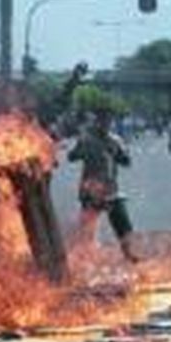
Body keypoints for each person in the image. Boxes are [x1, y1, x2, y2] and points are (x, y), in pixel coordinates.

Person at [68, 111, 138, 262]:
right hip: (91, 191)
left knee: (122, 223)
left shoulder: (115, 140)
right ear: (96, 123)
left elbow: (126, 161)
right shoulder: (86, 139)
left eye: (107, 122)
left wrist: (122, 154)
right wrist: (81, 148)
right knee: (87, 229)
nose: (104, 125)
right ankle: (85, 258)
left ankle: (128, 253)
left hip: (111, 190)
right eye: (101, 122)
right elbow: (71, 156)